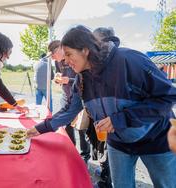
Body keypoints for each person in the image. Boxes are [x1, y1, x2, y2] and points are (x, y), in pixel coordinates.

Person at [27, 25, 176, 188]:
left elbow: (168, 96)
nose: (65, 61)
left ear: (85, 50)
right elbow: (70, 110)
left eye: (69, 54)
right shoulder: (81, 79)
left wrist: (122, 119)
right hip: (118, 143)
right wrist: (41, 128)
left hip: (156, 138)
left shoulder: (129, 60)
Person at [48, 40, 90, 163]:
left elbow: (82, 79)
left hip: (79, 97)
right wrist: (57, 78)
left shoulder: (74, 57)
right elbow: (59, 74)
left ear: (60, 49)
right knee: (67, 125)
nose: (53, 58)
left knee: (81, 128)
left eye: (53, 54)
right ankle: (70, 150)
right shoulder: (57, 62)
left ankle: (84, 155)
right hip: (65, 96)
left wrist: (69, 80)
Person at [91, 26, 121, 188]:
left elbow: (165, 95)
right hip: (116, 135)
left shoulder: (126, 59)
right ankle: (105, 179)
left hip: (151, 138)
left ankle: (105, 179)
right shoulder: (97, 64)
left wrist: (118, 119)